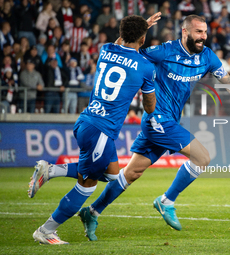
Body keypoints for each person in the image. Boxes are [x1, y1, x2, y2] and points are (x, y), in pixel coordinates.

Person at [29, 15, 156, 245]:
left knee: (113, 175)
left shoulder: (106, 49)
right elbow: (150, 106)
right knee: (87, 185)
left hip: (87, 121)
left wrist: (139, 28)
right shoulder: (146, 67)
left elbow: (123, 42)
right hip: (101, 130)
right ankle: (46, 230)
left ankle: (52, 172)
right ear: (144, 39)